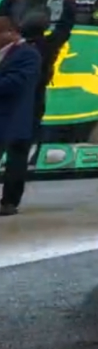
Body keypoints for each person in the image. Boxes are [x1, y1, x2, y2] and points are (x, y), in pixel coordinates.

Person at [1, 0, 75, 216]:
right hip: (33, 102)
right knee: (19, 154)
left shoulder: (13, 45)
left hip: (6, 100)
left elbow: (5, 9)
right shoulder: (49, 46)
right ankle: (10, 201)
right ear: (45, 27)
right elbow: (67, 21)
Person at [0, 17, 43, 218]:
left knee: (15, 161)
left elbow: (18, 82)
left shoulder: (28, 54)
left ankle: (9, 202)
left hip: (14, 116)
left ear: (11, 33)